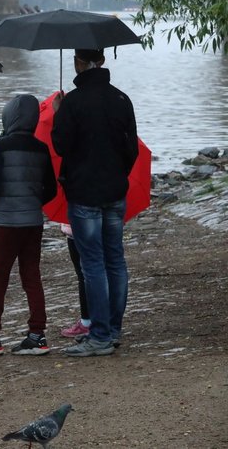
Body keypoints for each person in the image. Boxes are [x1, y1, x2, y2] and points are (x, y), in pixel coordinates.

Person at [51, 48, 138, 357]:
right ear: (101, 61)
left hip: (85, 194)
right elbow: (132, 150)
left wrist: (60, 113)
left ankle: (99, 335)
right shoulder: (121, 99)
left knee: (93, 264)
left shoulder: (73, 102)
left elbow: (60, 145)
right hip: (116, 193)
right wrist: (118, 175)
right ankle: (112, 330)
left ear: (78, 62)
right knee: (115, 260)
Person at [0, 94, 57, 357]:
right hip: (33, 222)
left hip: (7, 223)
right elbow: (51, 189)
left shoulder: (3, 144)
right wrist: (33, 203)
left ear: (9, 117)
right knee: (32, 276)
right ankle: (37, 336)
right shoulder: (41, 148)